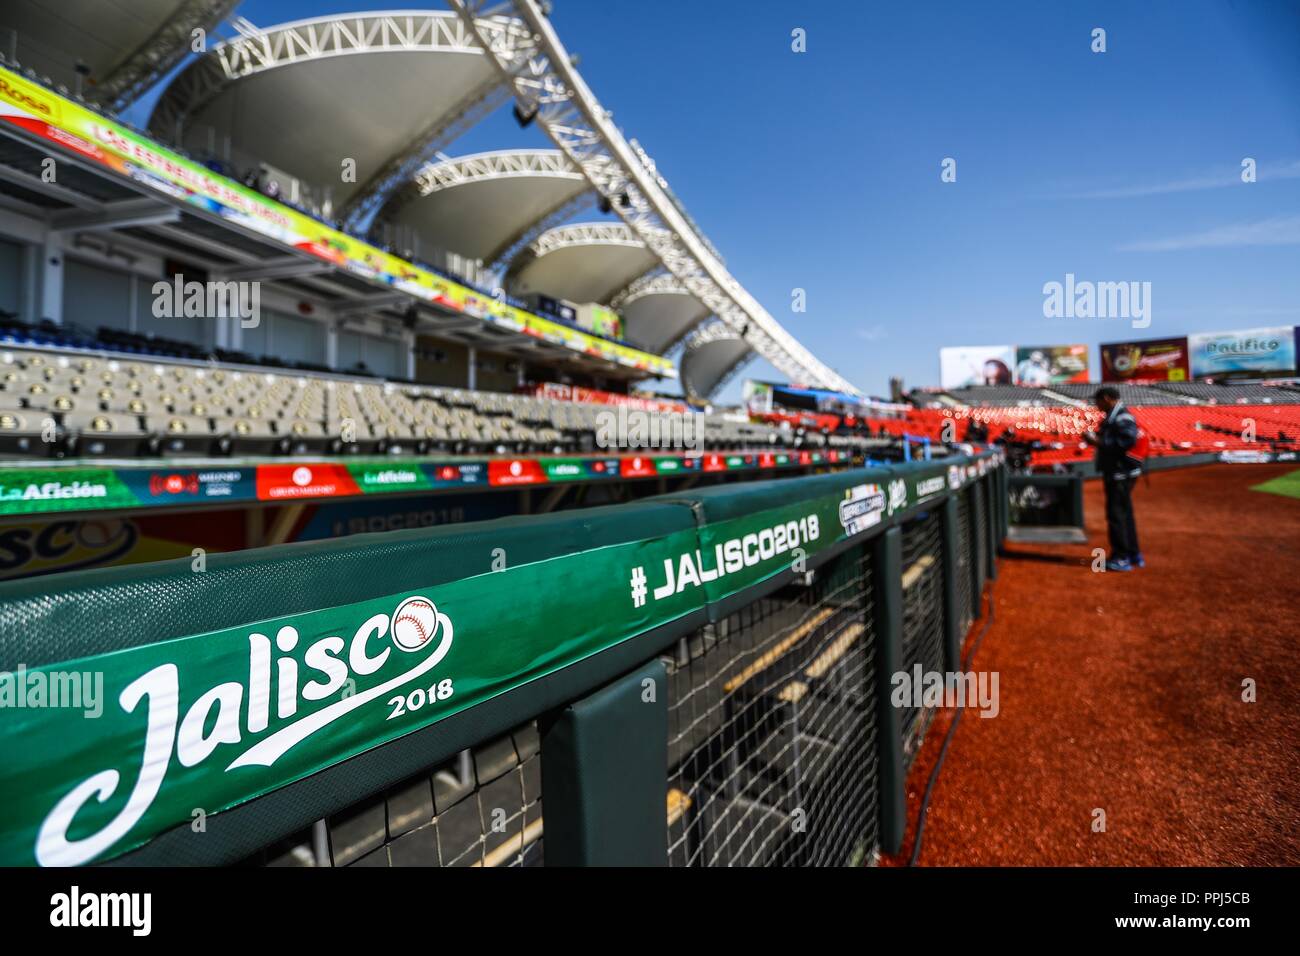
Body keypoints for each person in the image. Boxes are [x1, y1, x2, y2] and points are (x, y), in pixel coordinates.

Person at [1082, 386, 1143, 571]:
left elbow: (1126, 441)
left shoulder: (1121, 416)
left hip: (1120, 473)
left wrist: (1096, 441)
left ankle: (1121, 557)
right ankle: (1132, 554)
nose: (1096, 404)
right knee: (1125, 514)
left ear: (1107, 398)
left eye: (1098, 401)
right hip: (1120, 472)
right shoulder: (1114, 416)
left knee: (1116, 515)